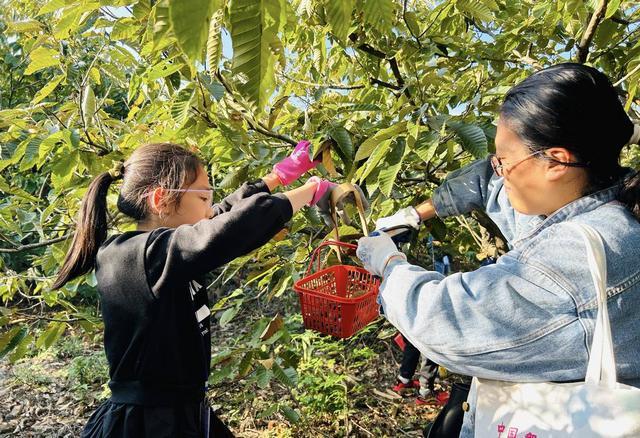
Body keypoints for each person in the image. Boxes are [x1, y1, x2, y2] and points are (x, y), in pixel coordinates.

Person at [356, 63, 640, 437]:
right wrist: (416, 214)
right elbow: (488, 183)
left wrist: (388, 263)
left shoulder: (574, 253)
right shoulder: (605, 206)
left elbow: (444, 323)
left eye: (505, 160)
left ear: (557, 160)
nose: (500, 172)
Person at [52, 140, 341, 437]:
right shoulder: (131, 255)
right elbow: (230, 229)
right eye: (203, 197)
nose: (209, 207)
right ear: (161, 199)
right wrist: (310, 191)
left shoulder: (165, 247)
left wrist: (281, 175)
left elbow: (222, 215)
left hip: (181, 413)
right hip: (147, 424)